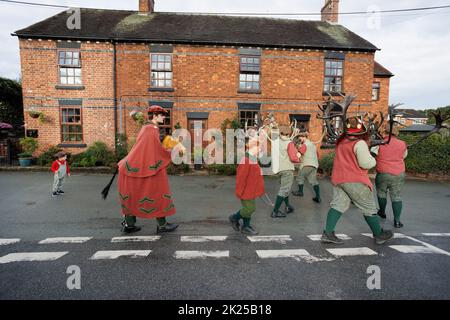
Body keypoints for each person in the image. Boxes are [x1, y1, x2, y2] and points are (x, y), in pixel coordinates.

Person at [321, 117, 394, 245]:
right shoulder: (359, 143)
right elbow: (366, 163)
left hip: (339, 179)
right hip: (355, 180)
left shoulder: (341, 141)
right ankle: (378, 234)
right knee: (369, 208)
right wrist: (374, 156)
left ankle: (328, 233)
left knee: (338, 205)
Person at [117, 105, 183, 234]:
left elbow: (148, 148)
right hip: (147, 168)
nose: (164, 117)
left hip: (136, 168)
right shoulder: (151, 129)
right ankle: (162, 225)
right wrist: (173, 151)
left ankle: (130, 225)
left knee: (132, 196)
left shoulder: (148, 128)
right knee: (158, 193)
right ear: (154, 116)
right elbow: (156, 150)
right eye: (162, 115)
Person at [371, 125, 408, 228]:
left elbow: (372, 155)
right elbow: (404, 156)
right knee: (396, 196)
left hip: (383, 172)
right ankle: (397, 221)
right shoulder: (402, 143)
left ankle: (382, 213)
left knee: (381, 193)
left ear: (385, 132)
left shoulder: (380, 143)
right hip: (398, 173)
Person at [229, 137, 265, 235]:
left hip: (251, 189)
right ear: (253, 147)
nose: (260, 149)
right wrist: (240, 191)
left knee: (249, 208)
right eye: (259, 147)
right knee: (250, 208)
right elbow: (241, 178)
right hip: (246, 190)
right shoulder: (246, 159)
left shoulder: (252, 159)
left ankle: (246, 226)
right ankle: (234, 218)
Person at [271, 125, 300, 218]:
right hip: (287, 168)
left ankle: (288, 206)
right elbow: (293, 158)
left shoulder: (276, 142)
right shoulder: (289, 143)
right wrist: (298, 157)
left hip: (279, 168)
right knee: (284, 189)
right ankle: (275, 211)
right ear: (288, 133)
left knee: (284, 187)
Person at [292, 132, 321, 203]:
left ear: (303, 137)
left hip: (306, 165)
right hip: (314, 165)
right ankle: (318, 197)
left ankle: (300, 192)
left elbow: (299, 154)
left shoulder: (305, 145)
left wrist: (295, 155)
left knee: (300, 177)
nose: (300, 140)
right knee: (313, 181)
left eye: (300, 138)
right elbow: (317, 155)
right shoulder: (313, 145)